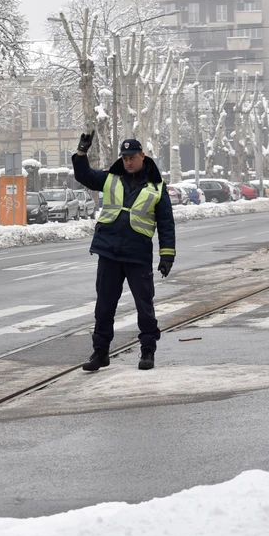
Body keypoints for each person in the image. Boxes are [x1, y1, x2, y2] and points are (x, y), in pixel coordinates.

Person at [71, 133, 176, 372]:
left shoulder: (157, 186)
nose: (128, 162)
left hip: (137, 254)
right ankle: (100, 352)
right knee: (104, 306)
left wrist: (167, 255)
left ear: (142, 156)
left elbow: (166, 223)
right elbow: (84, 175)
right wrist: (81, 153)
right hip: (109, 251)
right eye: (125, 157)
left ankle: (147, 351)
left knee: (144, 306)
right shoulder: (111, 178)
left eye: (132, 157)